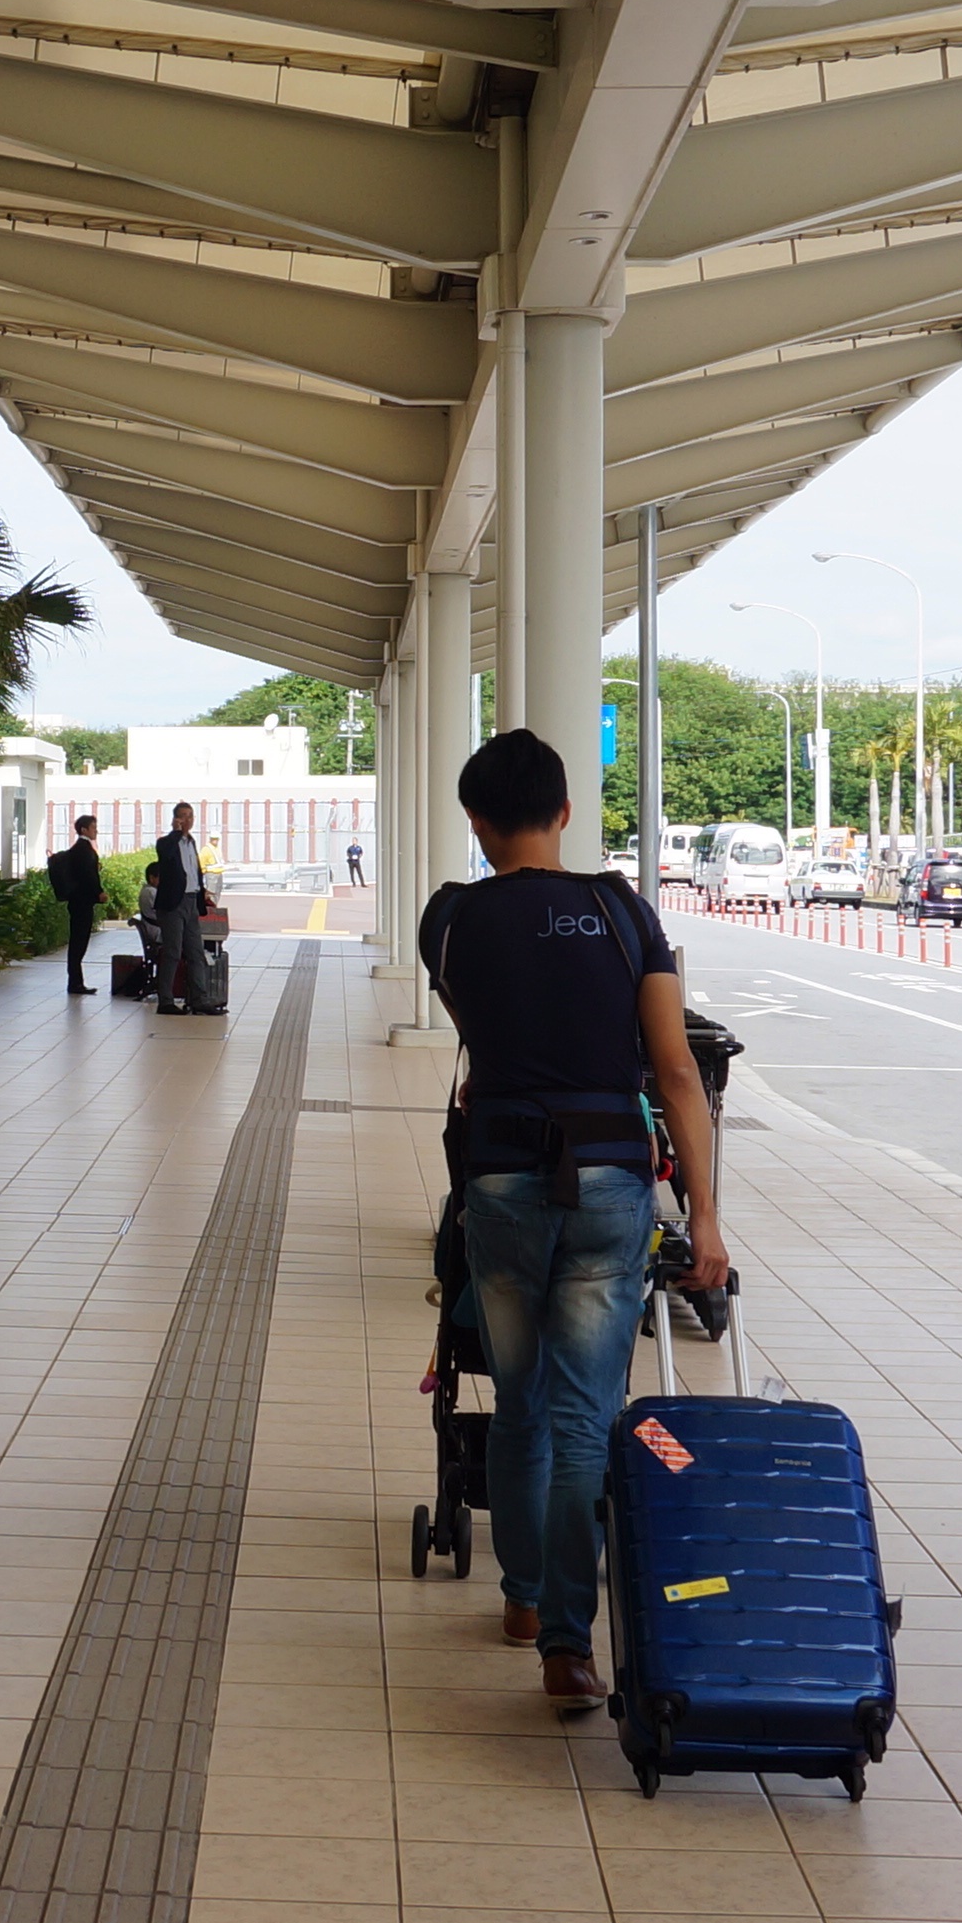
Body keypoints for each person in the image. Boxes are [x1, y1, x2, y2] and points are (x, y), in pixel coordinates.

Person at [416, 727, 729, 1710]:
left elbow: (483, 1030)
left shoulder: (450, 920)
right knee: (583, 1417)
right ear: (563, 813)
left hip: (502, 1179)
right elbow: (674, 1068)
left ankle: (518, 1598)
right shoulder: (622, 909)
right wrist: (706, 1220)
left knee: (516, 1400)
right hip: (607, 1182)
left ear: (475, 821)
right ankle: (566, 1641)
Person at [144, 804, 209, 1010]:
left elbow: (193, 871)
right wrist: (174, 832)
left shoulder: (192, 842)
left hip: (192, 900)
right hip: (173, 904)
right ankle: (166, 1000)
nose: (187, 821)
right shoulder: (166, 842)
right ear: (175, 819)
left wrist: (202, 890)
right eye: (182, 817)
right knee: (172, 951)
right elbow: (167, 856)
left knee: (196, 952)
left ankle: (199, 1000)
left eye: (190, 817)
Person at [46, 813, 107, 998]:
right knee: (79, 942)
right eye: (93, 828)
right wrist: (99, 892)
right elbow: (87, 876)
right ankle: (75, 982)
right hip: (82, 901)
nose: (96, 831)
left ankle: (76, 981)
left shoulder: (82, 849)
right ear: (84, 830)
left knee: (79, 941)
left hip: (78, 901)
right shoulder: (83, 849)